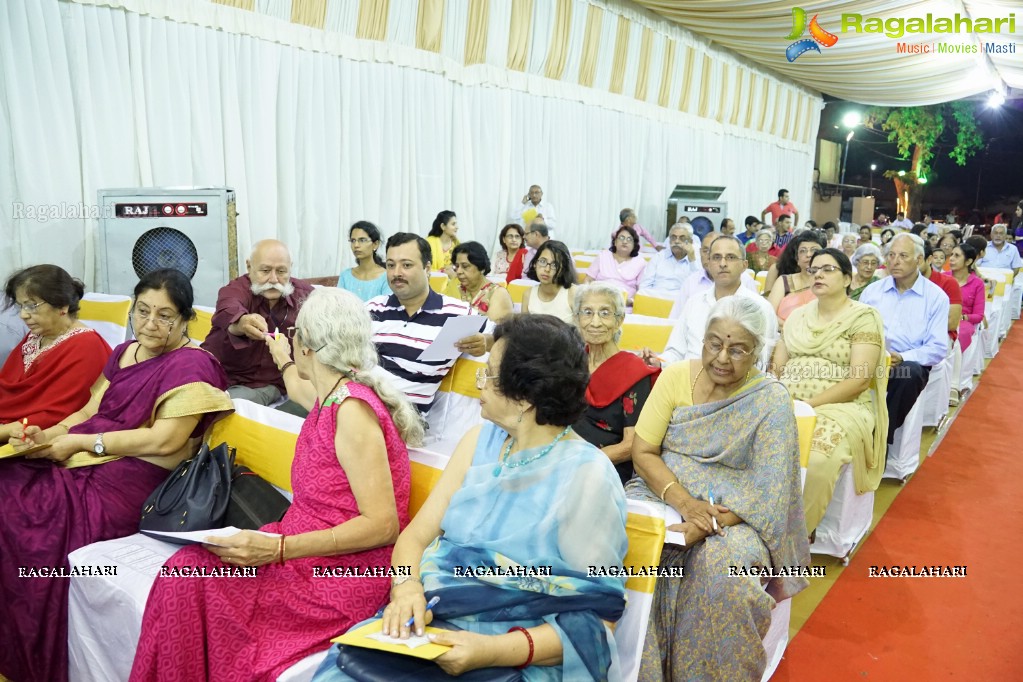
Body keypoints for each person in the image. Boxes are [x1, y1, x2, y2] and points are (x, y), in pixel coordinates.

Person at [312, 315, 629, 681]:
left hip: (516, 651)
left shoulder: (587, 475)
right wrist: (406, 588)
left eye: (490, 375)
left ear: (525, 397)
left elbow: (599, 622)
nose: (480, 382)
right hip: (431, 626)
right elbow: (413, 540)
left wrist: (488, 651)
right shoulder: (479, 441)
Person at [131, 288, 423, 681]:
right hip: (301, 552)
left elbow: (383, 524)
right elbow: (301, 388)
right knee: (185, 573)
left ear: (308, 345)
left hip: (342, 572)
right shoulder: (331, 393)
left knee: (195, 585)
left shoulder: (352, 411)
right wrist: (282, 356)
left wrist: (280, 549)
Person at [0, 269, 232, 682]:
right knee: (8, 482)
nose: (150, 323)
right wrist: (50, 433)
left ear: (185, 320)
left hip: (131, 479)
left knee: (25, 517)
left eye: (165, 316)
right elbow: (90, 412)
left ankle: (34, 653)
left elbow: (164, 441)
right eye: (143, 311)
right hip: (83, 455)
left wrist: (83, 445)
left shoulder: (193, 364)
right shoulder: (125, 351)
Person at [626, 296, 809, 681]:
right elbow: (643, 450)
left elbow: (770, 488)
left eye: (737, 349)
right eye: (714, 343)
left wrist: (703, 524)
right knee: (629, 547)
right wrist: (684, 503)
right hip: (661, 492)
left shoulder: (771, 399)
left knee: (722, 573)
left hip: (737, 516)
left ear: (759, 351)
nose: (722, 357)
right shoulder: (676, 376)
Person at [773, 249, 887, 534]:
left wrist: (808, 405)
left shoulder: (863, 317)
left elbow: (859, 380)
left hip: (841, 406)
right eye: (814, 270)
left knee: (818, 459)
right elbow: (777, 366)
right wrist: (777, 398)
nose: (819, 274)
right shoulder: (797, 316)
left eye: (828, 269)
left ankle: (794, 540)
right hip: (787, 402)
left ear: (848, 278)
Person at [0, 265, 111, 441]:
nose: (23, 315)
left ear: (62, 305)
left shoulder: (87, 347)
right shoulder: (36, 337)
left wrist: (4, 432)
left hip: (44, 440)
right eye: (21, 306)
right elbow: (6, 389)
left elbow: (56, 415)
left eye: (31, 306)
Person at [860, 234, 949, 443]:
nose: (894, 261)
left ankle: (879, 439)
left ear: (919, 260)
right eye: (891, 255)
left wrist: (901, 356)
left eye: (902, 256)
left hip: (906, 363)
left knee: (910, 374)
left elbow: (936, 348)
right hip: (870, 356)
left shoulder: (935, 297)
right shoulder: (873, 291)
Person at [202, 239, 313, 405]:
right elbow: (228, 307)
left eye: (281, 271)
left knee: (230, 403)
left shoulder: (306, 296)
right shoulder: (236, 289)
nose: (274, 279)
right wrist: (241, 323)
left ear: (290, 267)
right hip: (215, 374)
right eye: (265, 270)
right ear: (249, 266)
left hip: (266, 385)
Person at [573, 283, 657, 485]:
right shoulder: (571, 361)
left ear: (619, 320)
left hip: (604, 466)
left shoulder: (633, 371)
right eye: (587, 312)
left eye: (605, 313)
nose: (595, 322)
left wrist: (583, 462)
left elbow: (631, 445)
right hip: (564, 454)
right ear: (577, 319)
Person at [650, 236, 777, 370]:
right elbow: (675, 352)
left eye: (730, 257)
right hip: (689, 381)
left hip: (737, 385)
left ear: (744, 265)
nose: (722, 263)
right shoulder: (694, 302)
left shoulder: (760, 308)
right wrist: (659, 361)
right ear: (709, 264)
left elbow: (761, 363)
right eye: (716, 257)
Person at [767, 231, 827, 324]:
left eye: (814, 250)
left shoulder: (830, 281)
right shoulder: (784, 281)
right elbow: (769, 314)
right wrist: (792, 329)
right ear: (797, 259)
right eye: (803, 251)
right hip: (784, 333)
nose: (808, 255)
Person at [449, 241, 513, 322]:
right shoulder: (454, 286)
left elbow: (493, 330)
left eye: (465, 266)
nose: (458, 271)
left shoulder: (498, 294)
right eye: (457, 266)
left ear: (482, 268)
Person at [584, 224, 647, 300]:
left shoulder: (640, 262)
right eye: (621, 238)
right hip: (598, 299)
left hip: (624, 303)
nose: (625, 241)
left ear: (634, 244)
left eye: (629, 239)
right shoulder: (603, 256)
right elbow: (588, 279)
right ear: (615, 242)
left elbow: (641, 289)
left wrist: (630, 301)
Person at [521, 240, 577, 324]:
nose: (547, 269)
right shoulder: (528, 295)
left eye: (555, 265)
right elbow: (522, 331)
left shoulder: (574, 293)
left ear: (563, 269)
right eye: (543, 261)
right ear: (535, 263)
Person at [638, 222, 701, 295]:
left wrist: (692, 260)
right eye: (673, 237)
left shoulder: (696, 260)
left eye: (682, 238)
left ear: (690, 242)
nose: (677, 241)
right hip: (655, 300)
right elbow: (644, 285)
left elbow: (697, 287)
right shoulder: (659, 257)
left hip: (680, 302)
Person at [921, 241, 963, 344]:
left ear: (929, 259)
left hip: (937, 335)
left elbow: (952, 323)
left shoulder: (948, 282)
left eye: (917, 260)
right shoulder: (899, 280)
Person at [337, 221, 390, 301]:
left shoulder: (386, 277)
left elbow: (387, 309)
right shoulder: (345, 276)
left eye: (362, 240)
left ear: (375, 244)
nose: (356, 245)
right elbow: (338, 305)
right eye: (353, 241)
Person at [949, 243, 985, 351]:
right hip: (942, 318)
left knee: (962, 332)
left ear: (968, 261)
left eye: (957, 256)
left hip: (963, 321)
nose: (951, 258)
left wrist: (963, 317)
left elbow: (979, 315)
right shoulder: (943, 277)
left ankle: (955, 362)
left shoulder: (977, 283)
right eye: (951, 254)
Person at [426, 210, 459, 277]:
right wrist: (443, 272)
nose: (457, 227)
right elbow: (423, 267)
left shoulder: (457, 244)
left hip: (453, 283)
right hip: (434, 281)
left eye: (456, 224)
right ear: (443, 226)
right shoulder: (428, 243)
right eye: (453, 224)